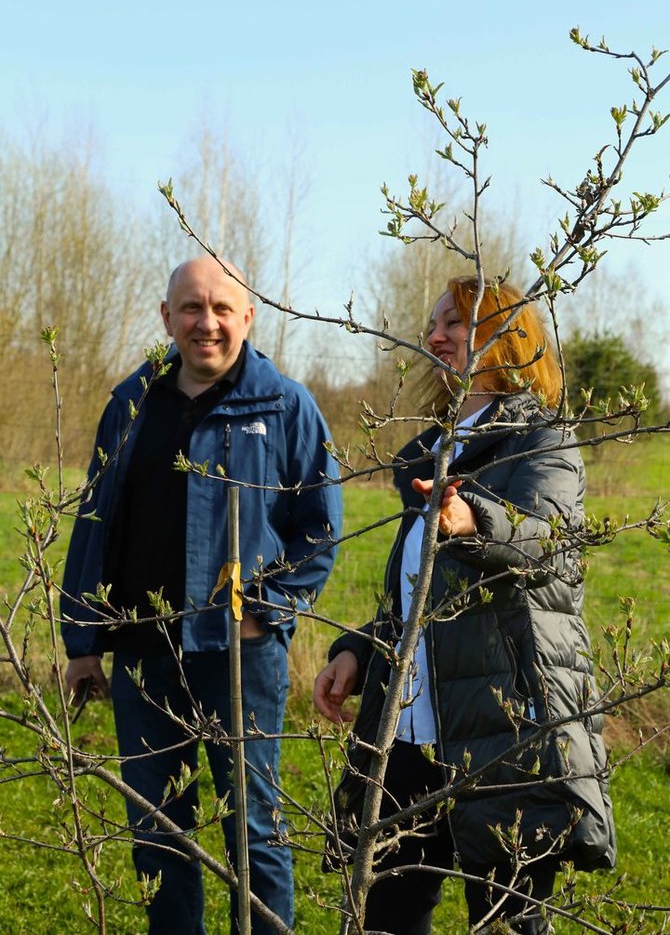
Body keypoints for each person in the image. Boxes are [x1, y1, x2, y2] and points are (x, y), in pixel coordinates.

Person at [314, 275, 616, 935]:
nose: (435, 335)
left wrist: (474, 518)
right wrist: (359, 649)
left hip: (502, 734)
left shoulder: (542, 441)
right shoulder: (433, 446)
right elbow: (423, 599)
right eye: (434, 324)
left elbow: (551, 550)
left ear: (507, 337)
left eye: (455, 322)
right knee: (384, 917)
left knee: (508, 922)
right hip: (409, 736)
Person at [61, 254, 343, 935]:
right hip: (142, 657)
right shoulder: (130, 403)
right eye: (191, 307)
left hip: (238, 659)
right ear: (166, 317)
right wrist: (81, 642)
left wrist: (268, 615)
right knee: (160, 832)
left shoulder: (284, 405)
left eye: (222, 308)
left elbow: (321, 530)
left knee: (255, 828)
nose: (206, 322)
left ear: (248, 316)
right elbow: (95, 521)